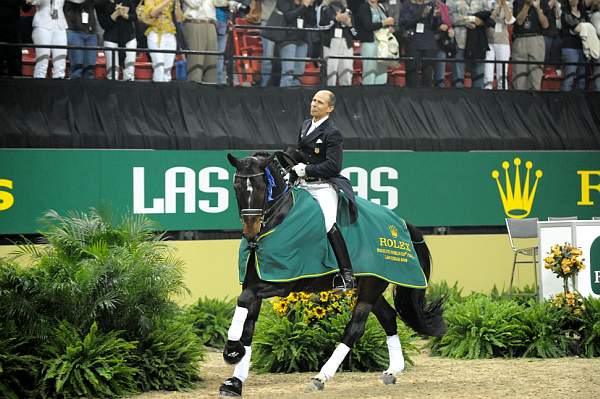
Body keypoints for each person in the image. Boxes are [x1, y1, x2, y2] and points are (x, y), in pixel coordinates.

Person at [291, 90, 356, 291]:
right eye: (313, 100)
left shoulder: (332, 132)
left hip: (323, 185)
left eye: (319, 102)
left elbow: (333, 166)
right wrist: (291, 169)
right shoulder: (305, 125)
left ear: (330, 108)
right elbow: (300, 152)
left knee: (328, 223)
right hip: (303, 183)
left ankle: (347, 274)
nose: (314, 104)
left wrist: (307, 169)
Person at [95, 0, 139, 81]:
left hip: (129, 38)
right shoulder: (100, 3)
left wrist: (124, 14)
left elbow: (134, 16)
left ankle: (129, 92)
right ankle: (112, 93)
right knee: (112, 73)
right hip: (111, 39)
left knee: (129, 73)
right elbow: (105, 25)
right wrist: (116, 13)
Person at [511, 0, 549, 90]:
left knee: (536, 77)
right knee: (519, 79)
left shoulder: (543, 2)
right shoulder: (518, 2)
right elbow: (519, 21)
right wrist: (527, 5)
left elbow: (545, 25)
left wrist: (538, 8)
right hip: (520, 39)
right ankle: (519, 102)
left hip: (536, 39)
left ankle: (535, 102)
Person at [143, 0, 183, 82]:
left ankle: (165, 94)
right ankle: (158, 93)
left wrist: (177, 6)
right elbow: (152, 13)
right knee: (159, 67)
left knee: (167, 70)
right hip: (155, 34)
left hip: (170, 35)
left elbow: (179, 19)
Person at [356, 0, 395, 85]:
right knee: (370, 72)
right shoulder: (364, 7)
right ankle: (368, 96)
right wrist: (384, 23)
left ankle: (379, 95)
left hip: (382, 44)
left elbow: (386, 24)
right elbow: (368, 26)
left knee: (382, 73)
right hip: (370, 43)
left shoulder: (381, 7)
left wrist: (389, 28)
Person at [318, 0, 356, 86]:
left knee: (347, 74)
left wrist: (349, 25)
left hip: (346, 45)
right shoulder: (324, 9)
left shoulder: (348, 11)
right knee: (330, 74)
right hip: (331, 44)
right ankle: (328, 96)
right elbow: (321, 27)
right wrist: (335, 19)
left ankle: (346, 96)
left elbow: (355, 34)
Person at [28, 0, 68, 79]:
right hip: (42, 25)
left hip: (60, 25)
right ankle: (39, 87)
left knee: (60, 61)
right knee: (42, 60)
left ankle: (58, 87)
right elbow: (31, 1)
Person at [483, 0, 514, 89]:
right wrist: (497, 7)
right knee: (488, 75)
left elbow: (509, 20)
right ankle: (486, 96)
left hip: (503, 42)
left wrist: (504, 4)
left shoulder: (508, 3)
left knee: (502, 75)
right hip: (489, 42)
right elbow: (489, 20)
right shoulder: (487, 2)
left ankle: (503, 97)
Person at [64, 0, 98, 79]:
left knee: (90, 68)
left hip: (91, 32)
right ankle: (75, 90)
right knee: (77, 67)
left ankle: (89, 90)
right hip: (74, 30)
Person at [560, 0, 587, 90]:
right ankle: (565, 103)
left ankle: (580, 103)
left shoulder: (584, 13)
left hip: (583, 48)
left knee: (582, 79)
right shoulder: (565, 13)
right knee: (569, 78)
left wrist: (583, 28)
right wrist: (585, 28)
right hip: (569, 48)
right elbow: (576, 28)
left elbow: (586, 27)